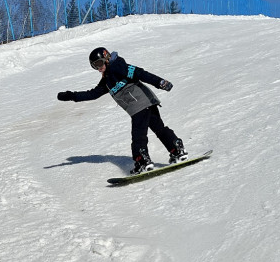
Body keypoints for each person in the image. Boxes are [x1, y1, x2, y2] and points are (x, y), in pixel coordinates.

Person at [57, 47, 186, 175]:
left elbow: (140, 73)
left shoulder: (118, 66)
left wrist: (160, 82)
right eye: (95, 66)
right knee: (159, 129)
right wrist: (71, 96)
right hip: (146, 103)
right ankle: (176, 149)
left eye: (99, 63)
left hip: (140, 104)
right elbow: (93, 94)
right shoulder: (107, 80)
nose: (98, 68)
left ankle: (142, 161)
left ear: (106, 58)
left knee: (138, 135)